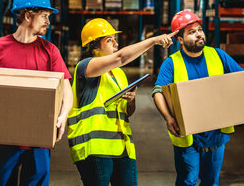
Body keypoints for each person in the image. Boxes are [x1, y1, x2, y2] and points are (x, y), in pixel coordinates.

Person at [0, 0, 73, 186]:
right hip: (4, 135)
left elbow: (66, 88)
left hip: (39, 136)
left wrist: (63, 116)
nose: (48, 22)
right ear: (28, 16)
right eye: (44, 16)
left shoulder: (49, 51)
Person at [67, 18, 177, 186]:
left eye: (114, 39)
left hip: (122, 146)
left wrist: (131, 102)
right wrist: (154, 40)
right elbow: (121, 57)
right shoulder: (85, 67)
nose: (115, 44)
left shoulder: (119, 75)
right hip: (95, 147)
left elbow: (127, 113)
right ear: (94, 45)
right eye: (109, 40)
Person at [152, 10, 244, 186]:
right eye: (191, 32)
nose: (199, 35)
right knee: (189, 181)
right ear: (180, 40)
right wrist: (169, 118)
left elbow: (241, 80)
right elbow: (158, 92)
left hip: (216, 134)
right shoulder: (171, 63)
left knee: (211, 181)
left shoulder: (218, 55)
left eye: (199, 30)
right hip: (187, 135)